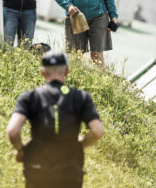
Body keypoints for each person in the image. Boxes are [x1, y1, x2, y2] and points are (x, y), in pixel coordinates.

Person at [7, 51, 104, 188]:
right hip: (70, 173)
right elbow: (97, 131)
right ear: (66, 71)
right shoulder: (81, 97)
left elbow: (12, 131)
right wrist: (81, 145)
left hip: (37, 171)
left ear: (42, 72)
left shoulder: (29, 97)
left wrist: (21, 150)